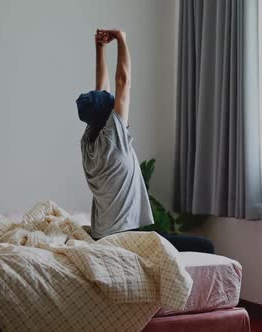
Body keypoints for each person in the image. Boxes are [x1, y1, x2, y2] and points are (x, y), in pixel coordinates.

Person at [77, 29, 213, 254]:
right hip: (125, 237)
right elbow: (123, 81)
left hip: (103, 237)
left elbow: (101, 91)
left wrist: (99, 49)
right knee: (206, 246)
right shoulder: (114, 140)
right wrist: (121, 38)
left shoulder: (88, 143)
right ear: (109, 116)